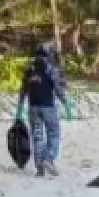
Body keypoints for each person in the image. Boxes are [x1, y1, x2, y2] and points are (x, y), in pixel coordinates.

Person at [16, 42, 71, 178]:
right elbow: (58, 90)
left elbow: (23, 90)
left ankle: (40, 169)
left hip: (33, 108)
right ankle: (49, 158)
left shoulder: (29, 69)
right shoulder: (51, 69)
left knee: (37, 137)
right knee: (53, 134)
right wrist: (66, 105)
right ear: (48, 55)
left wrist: (19, 109)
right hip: (48, 107)